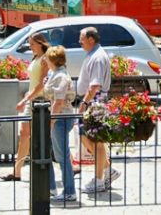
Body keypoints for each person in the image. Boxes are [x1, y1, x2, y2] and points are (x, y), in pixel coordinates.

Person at [1, 33, 50, 182]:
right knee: (24, 134)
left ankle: (71, 164)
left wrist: (25, 99)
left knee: (47, 136)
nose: (30, 46)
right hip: (33, 99)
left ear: (40, 43)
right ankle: (16, 171)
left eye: (32, 44)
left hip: (40, 100)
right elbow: (35, 81)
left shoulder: (45, 59)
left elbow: (42, 84)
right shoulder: (36, 57)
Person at [77, 27, 120, 193]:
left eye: (81, 38)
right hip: (93, 101)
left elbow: (95, 85)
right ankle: (108, 171)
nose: (79, 42)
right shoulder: (94, 55)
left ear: (91, 39)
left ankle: (99, 180)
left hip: (94, 102)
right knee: (88, 139)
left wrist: (85, 103)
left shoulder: (97, 57)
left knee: (95, 141)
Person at [44, 46, 78, 203]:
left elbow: (58, 102)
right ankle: (52, 187)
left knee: (61, 156)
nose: (44, 60)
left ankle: (69, 191)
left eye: (47, 58)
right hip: (60, 118)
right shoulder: (56, 74)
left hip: (60, 119)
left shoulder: (60, 76)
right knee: (57, 154)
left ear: (52, 60)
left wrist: (51, 121)